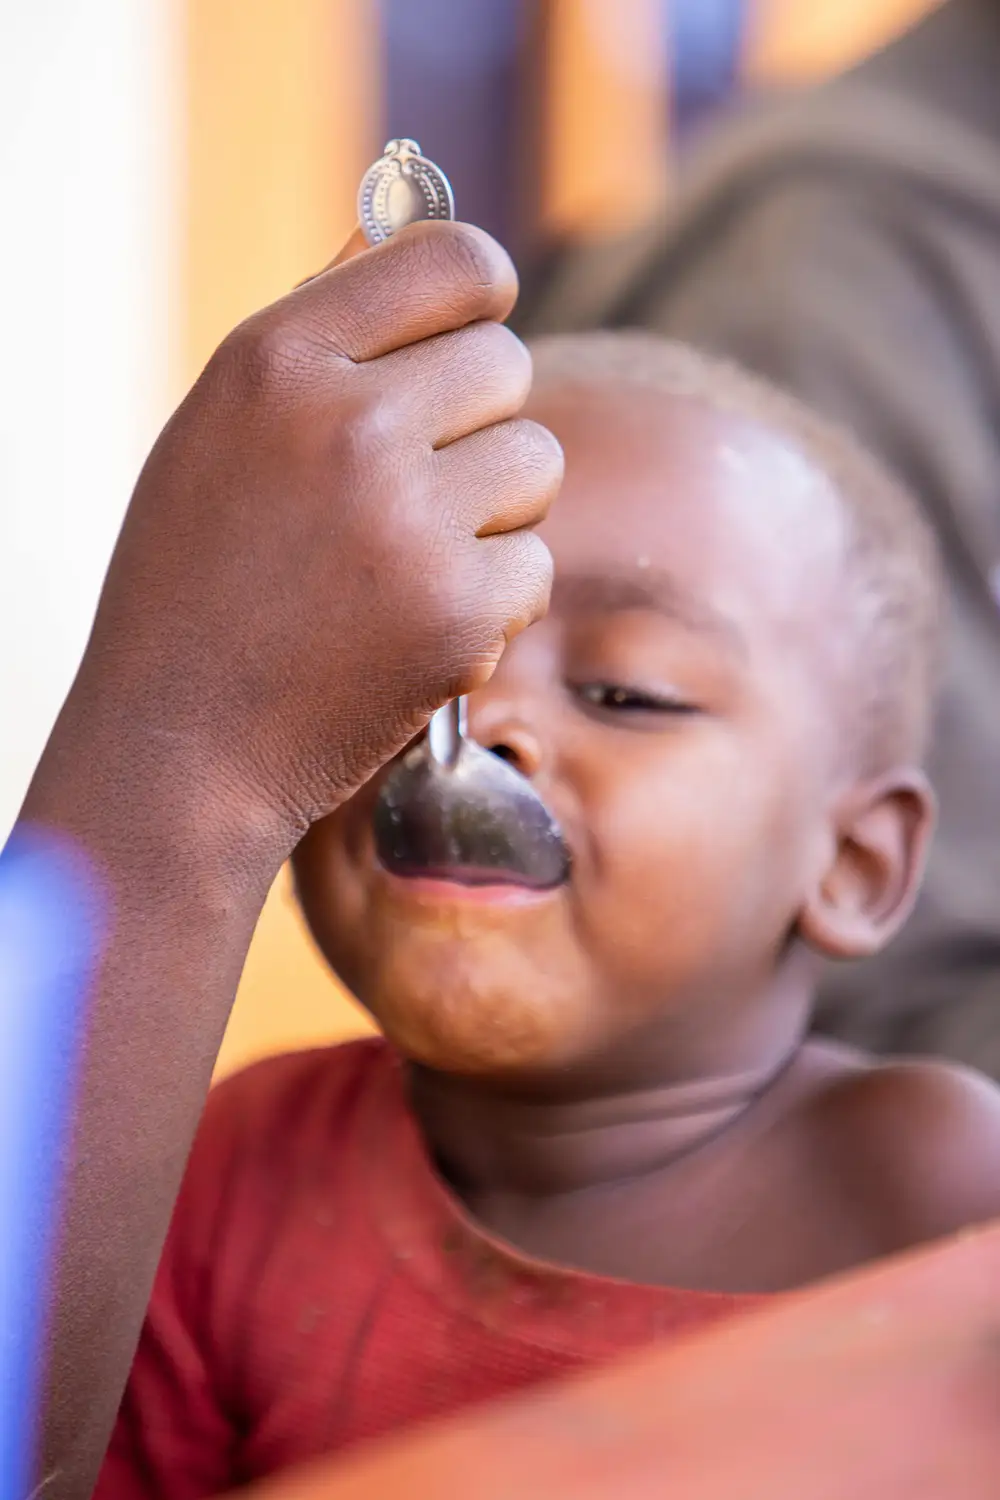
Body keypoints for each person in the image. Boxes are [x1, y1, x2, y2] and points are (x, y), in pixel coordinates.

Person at [94, 330, 1000, 1499]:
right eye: (419, 679)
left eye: (625, 691)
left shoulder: (934, 1192)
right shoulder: (234, 1169)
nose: (484, 727)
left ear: (855, 866)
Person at [513, 0, 1000, 1077]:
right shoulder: (835, 267)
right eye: (624, 693)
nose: (496, 733)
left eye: (621, 694)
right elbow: (868, 999)